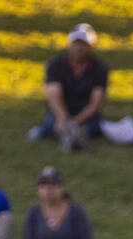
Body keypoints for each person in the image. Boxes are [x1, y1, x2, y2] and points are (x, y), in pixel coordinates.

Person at [29, 23, 108, 151]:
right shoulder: (55, 65)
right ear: (69, 44)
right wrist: (63, 119)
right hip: (60, 112)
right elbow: (53, 95)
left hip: (86, 116)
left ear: (92, 46)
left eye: (83, 44)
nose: (79, 48)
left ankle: (66, 136)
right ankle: (69, 136)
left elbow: (96, 103)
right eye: (76, 43)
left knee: (92, 127)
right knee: (52, 123)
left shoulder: (100, 68)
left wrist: (75, 121)